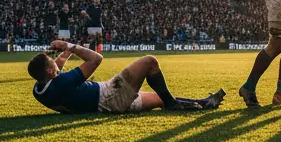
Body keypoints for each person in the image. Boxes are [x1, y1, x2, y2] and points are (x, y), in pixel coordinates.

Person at [27, 40, 222, 113]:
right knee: (150, 62)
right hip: (111, 95)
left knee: (162, 98)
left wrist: (62, 52)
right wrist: (71, 47)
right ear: (51, 72)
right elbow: (96, 59)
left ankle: (205, 103)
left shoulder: (39, 89)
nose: (57, 60)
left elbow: (56, 67)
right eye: (52, 61)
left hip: (106, 104)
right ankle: (173, 104)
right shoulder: (62, 82)